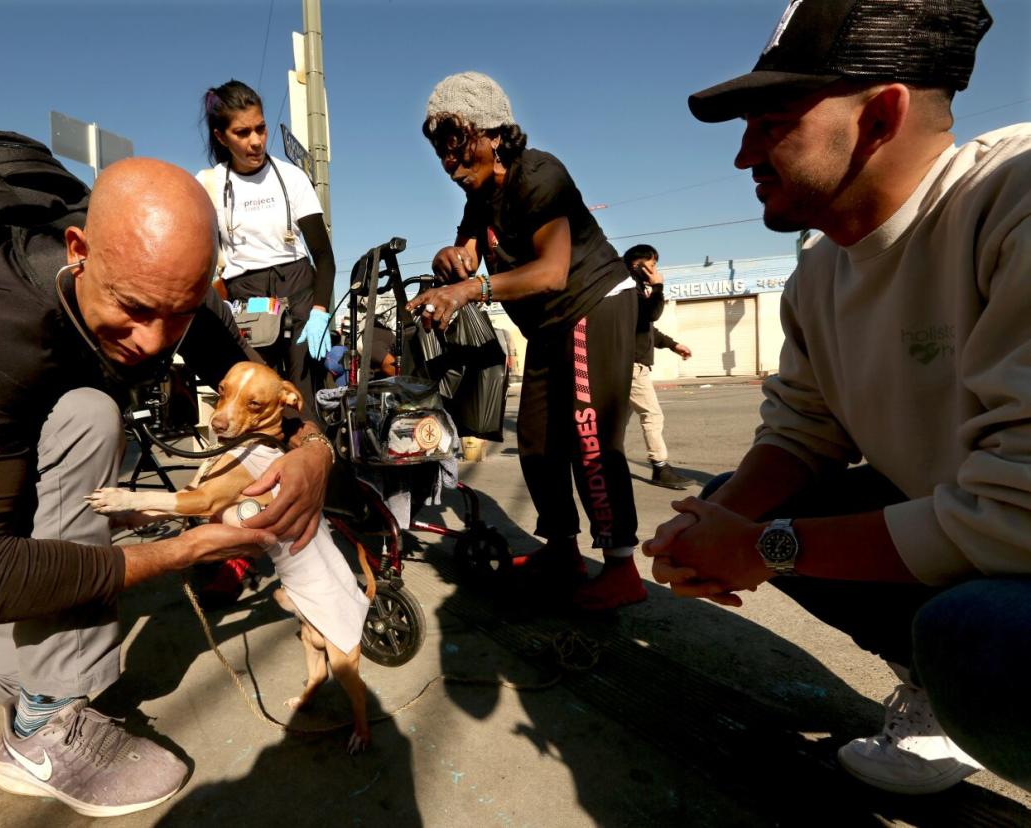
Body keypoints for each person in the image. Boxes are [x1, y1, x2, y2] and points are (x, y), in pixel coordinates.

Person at [0, 158, 336, 817]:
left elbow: (250, 377)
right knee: (84, 417)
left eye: (180, 314)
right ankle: (42, 728)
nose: (156, 342)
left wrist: (311, 445)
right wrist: (182, 552)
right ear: (78, 251)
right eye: (133, 310)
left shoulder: (164, 285)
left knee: (21, 649)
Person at [644, 0, 1031, 795]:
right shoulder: (819, 274)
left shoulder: (1010, 198)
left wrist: (758, 548)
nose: (743, 155)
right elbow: (804, 431)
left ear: (882, 114)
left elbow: (1021, 516)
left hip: (1013, 555)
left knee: (983, 640)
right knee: (732, 500)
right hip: (980, 531)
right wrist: (713, 530)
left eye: (772, 119)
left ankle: (958, 678)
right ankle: (932, 690)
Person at [410, 72, 644, 611]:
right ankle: (561, 551)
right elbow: (466, 253)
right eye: (441, 153)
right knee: (537, 441)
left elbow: (552, 271)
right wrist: (450, 261)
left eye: (457, 147)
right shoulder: (480, 197)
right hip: (546, 326)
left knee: (589, 438)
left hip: (594, 303)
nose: (450, 163)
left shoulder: (539, 174)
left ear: (492, 134)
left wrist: (472, 287)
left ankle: (621, 567)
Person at [197, 80, 336, 422]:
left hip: (300, 287)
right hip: (247, 297)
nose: (256, 141)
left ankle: (317, 467)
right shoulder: (209, 185)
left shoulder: (292, 178)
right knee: (259, 402)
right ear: (221, 136)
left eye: (260, 128)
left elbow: (323, 255)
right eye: (242, 132)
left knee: (305, 401)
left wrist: (319, 311)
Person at [623, 243, 694, 490]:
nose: (655, 270)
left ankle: (604, 462)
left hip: (628, 365)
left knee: (619, 420)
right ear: (638, 264)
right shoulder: (630, 289)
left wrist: (674, 345)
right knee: (652, 416)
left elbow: (648, 327)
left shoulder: (632, 289)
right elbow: (652, 315)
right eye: (652, 265)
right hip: (631, 366)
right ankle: (660, 467)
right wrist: (658, 286)